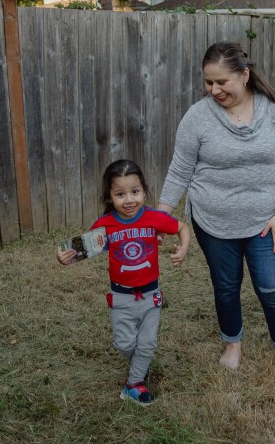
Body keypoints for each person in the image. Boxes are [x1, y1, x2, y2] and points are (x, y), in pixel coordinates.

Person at [158, 41, 275, 388]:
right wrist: (159, 216)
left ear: (245, 75)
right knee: (225, 287)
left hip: (264, 222)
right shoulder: (198, 117)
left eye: (222, 82)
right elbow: (179, 170)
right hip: (212, 221)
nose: (214, 90)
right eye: (209, 82)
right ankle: (232, 345)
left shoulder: (274, 111)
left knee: (271, 288)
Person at [57, 159, 191, 406]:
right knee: (124, 343)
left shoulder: (153, 218)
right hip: (121, 297)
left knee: (147, 342)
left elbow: (182, 227)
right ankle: (141, 363)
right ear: (110, 196)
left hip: (151, 296)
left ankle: (133, 385)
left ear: (143, 190)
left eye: (135, 192)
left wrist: (183, 248)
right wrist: (64, 257)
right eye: (120, 194)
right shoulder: (105, 225)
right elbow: (79, 250)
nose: (129, 200)